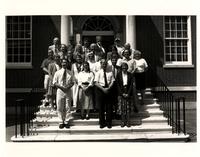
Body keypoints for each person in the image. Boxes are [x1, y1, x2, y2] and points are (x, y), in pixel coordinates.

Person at [52, 59, 74, 129]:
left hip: (68, 90)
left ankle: (67, 121)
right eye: (63, 62)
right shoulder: (57, 73)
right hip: (60, 90)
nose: (64, 63)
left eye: (65, 62)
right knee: (59, 106)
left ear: (67, 63)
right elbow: (54, 82)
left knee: (68, 106)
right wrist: (61, 87)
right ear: (61, 63)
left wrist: (67, 87)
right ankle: (61, 121)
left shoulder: (70, 72)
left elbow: (73, 82)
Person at [94, 59, 115, 128]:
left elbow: (113, 81)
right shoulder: (98, 72)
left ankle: (109, 123)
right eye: (103, 64)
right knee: (101, 108)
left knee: (109, 107)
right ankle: (102, 123)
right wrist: (103, 89)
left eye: (105, 64)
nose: (104, 65)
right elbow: (96, 83)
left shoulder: (110, 72)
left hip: (109, 89)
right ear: (101, 64)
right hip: (101, 90)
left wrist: (108, 88)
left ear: (107, 64)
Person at [116, 63, 134, 127]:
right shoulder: (118, 75)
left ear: (127, 68)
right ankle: (123, 122)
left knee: (128, 108)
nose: (124, 69)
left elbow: (131, 85)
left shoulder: (130, 75)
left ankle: (128, 122)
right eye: (123, 68)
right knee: (122, 108)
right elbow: (117, 85)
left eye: (125, 68)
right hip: (121, 92)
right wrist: (122, 93)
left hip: (128, 92)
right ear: (121, 68)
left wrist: (128, 93)